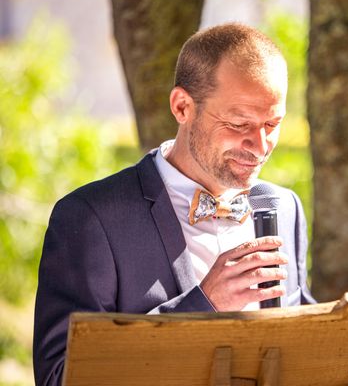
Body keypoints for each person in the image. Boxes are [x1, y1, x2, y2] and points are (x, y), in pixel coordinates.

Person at [33, 23, 314, 386]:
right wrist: (202, 306)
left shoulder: (284, 207)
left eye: (272, 124)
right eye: (239, 122)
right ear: (182, 107)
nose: (260, 147)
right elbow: (60, 377)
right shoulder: (91, 218)